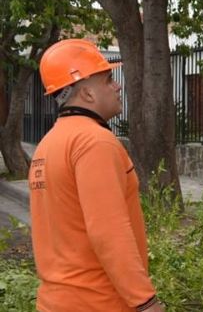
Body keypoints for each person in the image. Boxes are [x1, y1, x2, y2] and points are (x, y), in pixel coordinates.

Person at [28, 39, 164, 312]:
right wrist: (145, 301)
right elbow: (108, 231)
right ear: (87, 94)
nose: (117, 86)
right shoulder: (94, 142)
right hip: (98, 302)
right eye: (109, 80)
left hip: (55, 302)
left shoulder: (48, 144)